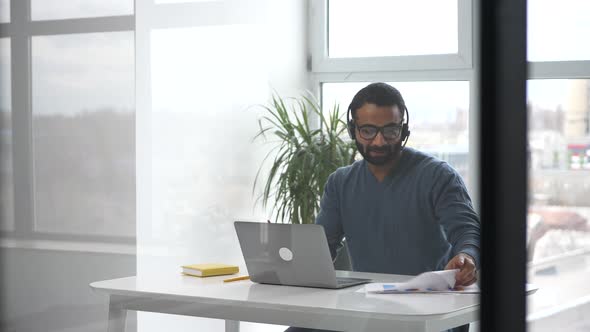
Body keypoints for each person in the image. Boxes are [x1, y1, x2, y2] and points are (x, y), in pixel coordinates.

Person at [285, 82, 481, 332]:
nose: (379, 141)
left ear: (404, 129)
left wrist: (467, 255)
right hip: (368, 307)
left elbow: (467, 230)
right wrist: (291, 255)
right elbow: (322, 247)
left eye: (390, 131)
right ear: (353, 130)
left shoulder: (438, 176)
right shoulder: (340, 182)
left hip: (427, 311)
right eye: (368, 130)